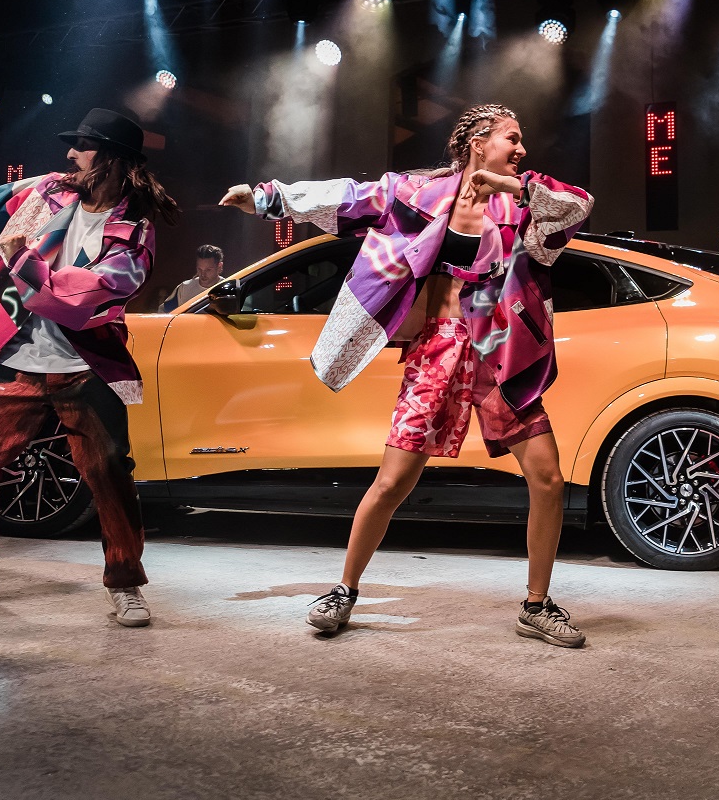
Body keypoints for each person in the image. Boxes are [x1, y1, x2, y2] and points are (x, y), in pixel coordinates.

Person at [220, 103, 595, 646]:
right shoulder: (417, 194)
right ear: (478, 142)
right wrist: (266, 197)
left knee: (548, 478)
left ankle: (537, 605)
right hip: (436, 347)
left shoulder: (522, 203)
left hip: (498, 350)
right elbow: (348, 196)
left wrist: (512, 186)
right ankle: (344, 590)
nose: (522, 149)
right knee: (393, 481)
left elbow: (578, 205)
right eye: (512, 138)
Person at [0, 108, 176, 628]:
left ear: (112, 159)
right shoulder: (46, 192)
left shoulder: (134, 230)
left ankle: (125, 583)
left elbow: (84, 299)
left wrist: (24, 263)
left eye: (82, 146)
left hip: (86, 367)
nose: (70, 153)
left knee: (109, 474)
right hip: (17, 362)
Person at [172, 244, 225, 308]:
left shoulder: (227, 289)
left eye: (208, 270)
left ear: (219, 267)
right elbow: (165, 311)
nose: (203, 274)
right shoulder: (184, 288)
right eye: (199, 269)